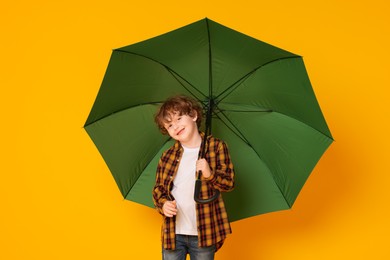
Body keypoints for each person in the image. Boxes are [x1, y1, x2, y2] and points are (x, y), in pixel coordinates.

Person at [152, 95, 235, 260]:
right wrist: (163, 204)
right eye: (169, 125)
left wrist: (209, 173)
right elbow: (158, 190)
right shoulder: (167, 156)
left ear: (194, 115)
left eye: (179, 118)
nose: (175, 126)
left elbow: (229, 183)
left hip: (203, 232)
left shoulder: (216, 147)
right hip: (173, 233)